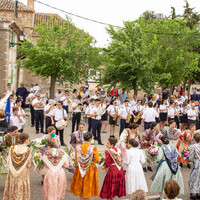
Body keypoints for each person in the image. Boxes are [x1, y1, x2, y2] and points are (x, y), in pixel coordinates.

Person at [70, 132, 100, 199]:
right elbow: (97, 159)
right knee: (88, 186)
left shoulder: (77, 147)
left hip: (80, 168)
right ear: (90, 139)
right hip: (90, 168)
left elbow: (76, 160)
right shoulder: (93, 147)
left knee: (81, 185)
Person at [3, 133, 32, 200]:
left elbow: (8, 160)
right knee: (22, 185)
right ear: (26, 140)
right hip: (23, 171)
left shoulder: (12, 148)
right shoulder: (28, 150)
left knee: (13, 185)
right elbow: (29, 164)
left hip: (13, 170)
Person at [187, 132, 200, 200]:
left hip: (197, 164)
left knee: (194, 178)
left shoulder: (193, 146)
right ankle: (198, 192)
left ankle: (194, 193)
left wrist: (186, 158)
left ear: (194, 139)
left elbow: (191, 158)